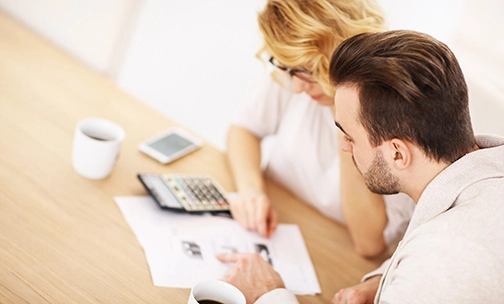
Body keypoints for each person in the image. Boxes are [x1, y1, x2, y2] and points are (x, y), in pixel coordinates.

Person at [217, 30, 504, 303]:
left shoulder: (439, 263)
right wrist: (383, 279)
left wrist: (268, 293)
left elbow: (440, 272)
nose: (343, 146)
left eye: (350, 136)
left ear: (397, 154)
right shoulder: (484, 184)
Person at [227, 0, 415, 258]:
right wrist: (251, 191)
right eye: (289, 69)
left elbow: (369, 245)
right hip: (277, 224)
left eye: (306, 71)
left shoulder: (395, 120)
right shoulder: (296, 71)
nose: (296, 87)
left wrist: (347, 127)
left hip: (332, 252)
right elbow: (243, 130)